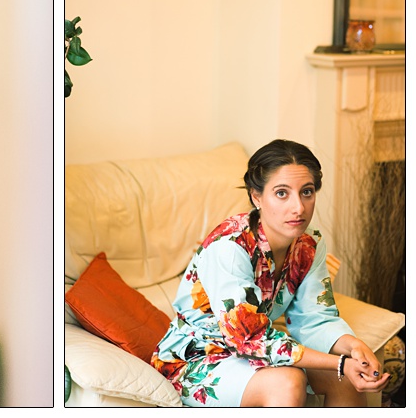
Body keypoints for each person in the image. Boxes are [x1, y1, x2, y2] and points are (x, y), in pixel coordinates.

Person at [150, 139, 391, 407]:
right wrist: (340, 362)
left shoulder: (309, 245)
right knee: (289, 381)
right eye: (281, 193)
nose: (298, 207)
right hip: (198, 357)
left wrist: (354, 348)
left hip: (255, 352)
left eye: (307, 192)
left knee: (345, 378)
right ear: (256, 196)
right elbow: (250, 338)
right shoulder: (229, 247)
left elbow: (314, 319)